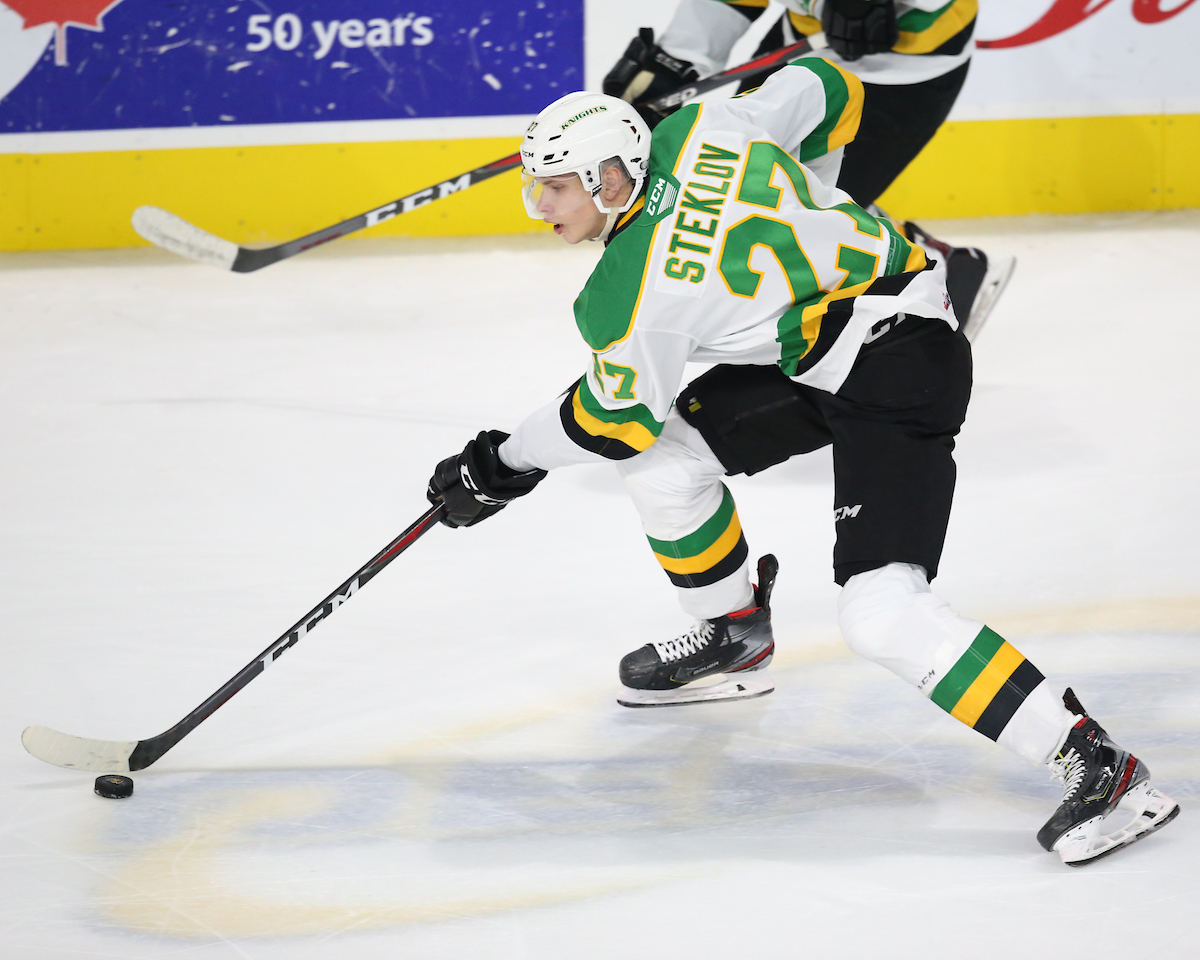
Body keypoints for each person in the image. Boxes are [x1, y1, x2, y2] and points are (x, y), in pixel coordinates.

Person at [424, 65, 1178, 864]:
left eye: (556, 188)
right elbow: (832, 87)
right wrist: (803, 206)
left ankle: (1099, 767)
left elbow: (611, 420)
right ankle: (735, 635)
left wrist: (500, 466)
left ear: (613, 179)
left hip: (901, 367)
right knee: (666, 463)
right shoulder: (705, 128)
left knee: (881, 612)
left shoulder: (628, 290)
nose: (540, 206)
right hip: (833, 340)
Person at [602, 0, 1013, 340]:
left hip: (907, 64)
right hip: (801, 42)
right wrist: (680, 58)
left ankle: (936, 271)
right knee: (739, 178)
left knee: (798, 208)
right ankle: (924, 256)